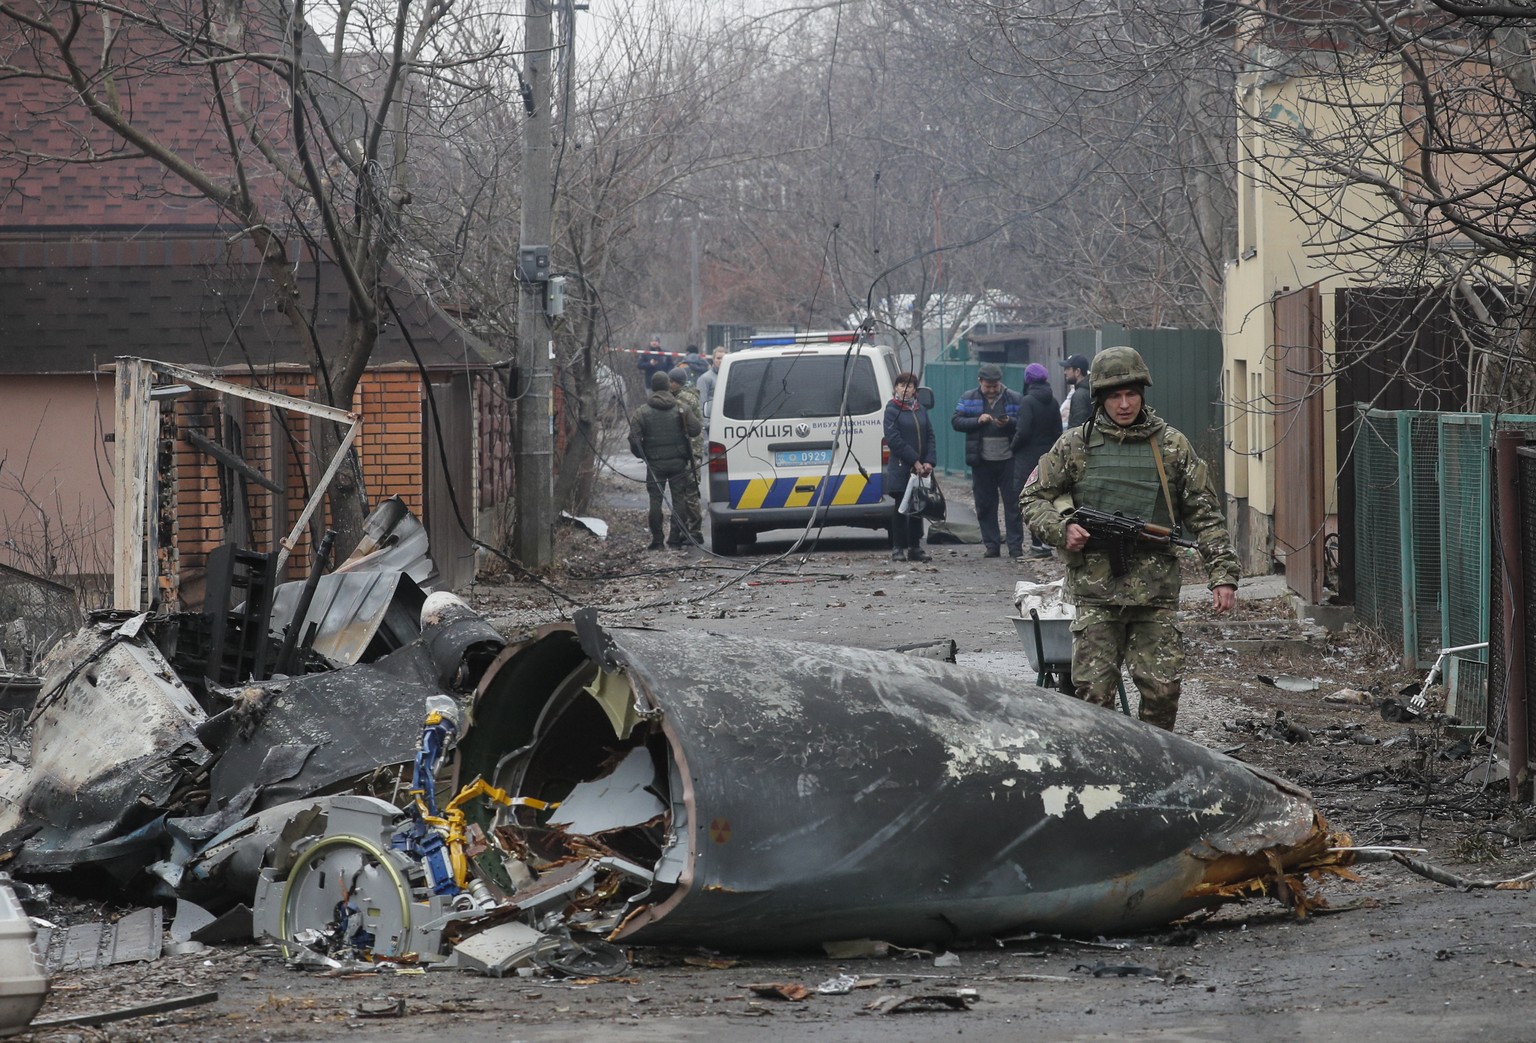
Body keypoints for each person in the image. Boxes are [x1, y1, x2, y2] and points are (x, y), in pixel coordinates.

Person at [1020, 346, 1239, 731]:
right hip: (1095, 595)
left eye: (1131, 394)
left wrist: (1222, 575)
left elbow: (1206, 515)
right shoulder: (1075, 445)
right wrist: (1061, 529)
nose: (1124, 404)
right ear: (1100, 398)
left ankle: (1153, 769)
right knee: (1093, 698)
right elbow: (1032, 496)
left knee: (1162, 693)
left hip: (1155, 597)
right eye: (1115, 396)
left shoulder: (1171, 446)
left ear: (1143, 394)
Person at [951, 361, 1024, 559]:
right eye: (988, 386)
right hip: (981, 460)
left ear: (1000, 383)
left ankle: (1015, 546)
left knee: (1013, 504)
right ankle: (991, 545)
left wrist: (1010, 422)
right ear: (980, 382)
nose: (991, 390)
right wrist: (977, 421)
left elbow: (1024, 424)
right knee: (985, 505)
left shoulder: (1015, 398)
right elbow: (956, 421)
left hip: (1009, 459)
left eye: (995, 386)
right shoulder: (968, 398)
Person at [629, 369, 702, 550]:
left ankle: (657, 540)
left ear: (653, 387)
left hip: (655, 465)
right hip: (678, 463)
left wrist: (643, 455)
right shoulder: (681, 408)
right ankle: (675, 538)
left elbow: (634, 439)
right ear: (668, 385)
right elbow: (696, 430)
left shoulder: (641, 412)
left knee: (655, 500)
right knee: (678, 500)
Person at [883, 371, 937, 563]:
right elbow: (894, 440)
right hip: (901, 467)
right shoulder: (891, 410)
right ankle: (898, 548)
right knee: (901, 507)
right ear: (896, 387)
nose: (905, 390)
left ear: (915, 390)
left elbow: (930, 435)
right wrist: (914, 461)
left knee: (918, 506)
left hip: (921, 468)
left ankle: (915, 547)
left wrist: (929, 461)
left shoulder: (920, 409)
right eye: (902, 385)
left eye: (910, 386)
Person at [1009, 363, 1060, 558]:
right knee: (1046, 498)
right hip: (1047, 456)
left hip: (1027, 457)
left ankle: (1037, 543)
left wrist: (1012, 447)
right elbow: (1057, 431)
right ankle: (1047, 543)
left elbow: (1023, 431)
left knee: (1027, 499)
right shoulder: (1053, 401)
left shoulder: (1027, 401)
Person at [1060, 353, 1092, 429]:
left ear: (1077, 371)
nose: (1065, 372)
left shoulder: (1079, 395)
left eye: (1068, 369)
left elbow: (1077, 427)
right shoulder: (1090, 389)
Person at [697, 347, 726, 419]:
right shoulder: (705, 378)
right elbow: (701, 403)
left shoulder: (730, 376)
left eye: (723, 358)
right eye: (718, 358)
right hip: (712, 420)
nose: (721, 361)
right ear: (713, 359)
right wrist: (706, 424)